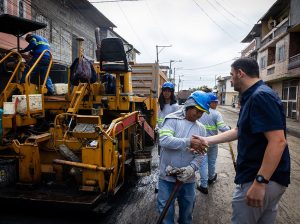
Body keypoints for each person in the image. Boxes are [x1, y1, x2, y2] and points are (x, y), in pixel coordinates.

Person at [193, 58, 290, 224]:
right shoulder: (253, 96)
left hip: (259, 178)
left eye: (232, 75)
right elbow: (239, 131)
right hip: (266, 179)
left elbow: (278, 141)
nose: (230, 80)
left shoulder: (261, 96)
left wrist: (260, 182)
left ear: (240, 73)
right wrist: (206, 139)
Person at [157, 90, 211, 224]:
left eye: (202, 112)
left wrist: (191, 168)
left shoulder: (201, 129)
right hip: (167, 177)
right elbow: (164, 140)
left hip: (188, 179)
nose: (199, 115)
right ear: (189, 105)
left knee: (187, 213)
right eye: (197, 111)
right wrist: (188, 141)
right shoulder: (172, 120)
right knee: (165, 213)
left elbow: (201, 154)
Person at [197, 92, 230, 194]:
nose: (216, 104)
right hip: (213, 142)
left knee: (203, 163)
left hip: (202, 142)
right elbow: (221, 127)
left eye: (216, 102)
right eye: (214, 102)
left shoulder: (201, 111)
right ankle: (210, 178)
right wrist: (229, 129)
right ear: (209, 103)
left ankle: (204, 185)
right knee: (210, 161)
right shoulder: (216, 114)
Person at [155, 81, 179, 193]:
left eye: (169, 91)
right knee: (161, 159)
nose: (166, 93)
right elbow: (158, 120)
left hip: (170, 138)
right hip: (160, 137)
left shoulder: (175, 106)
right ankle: (160, 183)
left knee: (170, 159)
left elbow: (177, 123)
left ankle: (170, 181)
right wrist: (156, 126)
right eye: (165, 90)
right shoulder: (160, 105)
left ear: (172, 92)